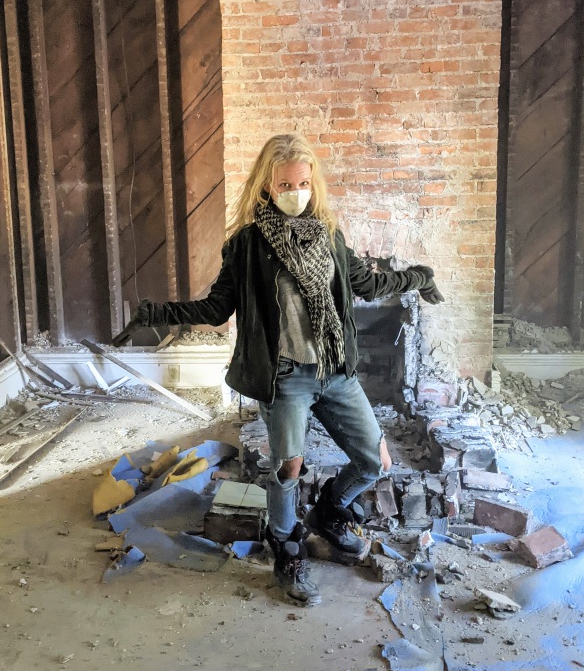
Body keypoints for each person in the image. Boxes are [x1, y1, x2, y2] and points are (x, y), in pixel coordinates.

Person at [130, 134, 444, 607]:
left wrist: (418, 277)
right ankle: (287, 545)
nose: (296, 191)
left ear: (312, 183)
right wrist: (157, 314)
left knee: (374, 462)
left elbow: (367, 283)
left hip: (335, 370)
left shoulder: (329, 236)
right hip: (286, 376)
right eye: (285, 184)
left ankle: (328, 512)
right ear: (267, 186)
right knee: (287, 466)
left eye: (303, 182)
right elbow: (218, 308)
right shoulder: (247, 245)